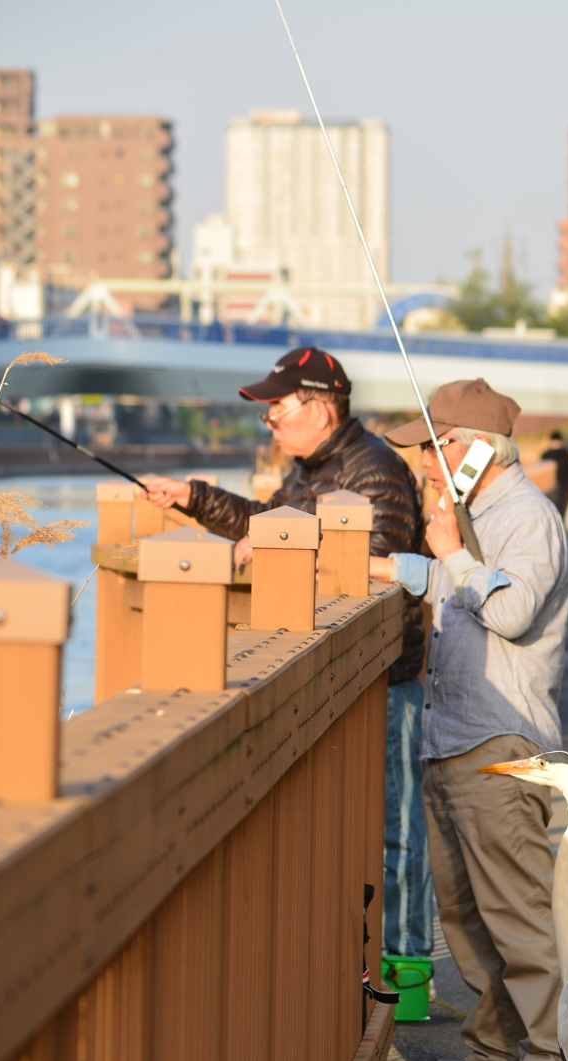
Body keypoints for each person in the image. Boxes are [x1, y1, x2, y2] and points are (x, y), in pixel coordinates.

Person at [140, 346, 434, 963]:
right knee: (358, 830)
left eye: (276, 408)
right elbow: (266, 521)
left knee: (398, 831)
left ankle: (407, 969)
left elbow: (379, 562)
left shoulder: (372, 468)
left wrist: (283, 547)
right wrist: (190, 495)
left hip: (388, 675)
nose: (268, 422)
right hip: (340, 668)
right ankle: (367, 958)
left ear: (321, 407)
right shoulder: (311, 469)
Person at [369, 377, 568, 1061]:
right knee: (464, 914)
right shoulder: (475, 514)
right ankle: (493, 1054)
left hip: (501, 740)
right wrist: (397, 569)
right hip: (453, 734)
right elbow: (459, 586)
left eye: (433, 448)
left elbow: (512, 609)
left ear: (472, 450)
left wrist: (453, 554)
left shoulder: (528, 516)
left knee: (517, 911)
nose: (425, 464)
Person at [540, 429, 568, 520]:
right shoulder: (565, 454)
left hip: (548, 488)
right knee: (560, 511)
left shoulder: (545, 454)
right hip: (562, 486)